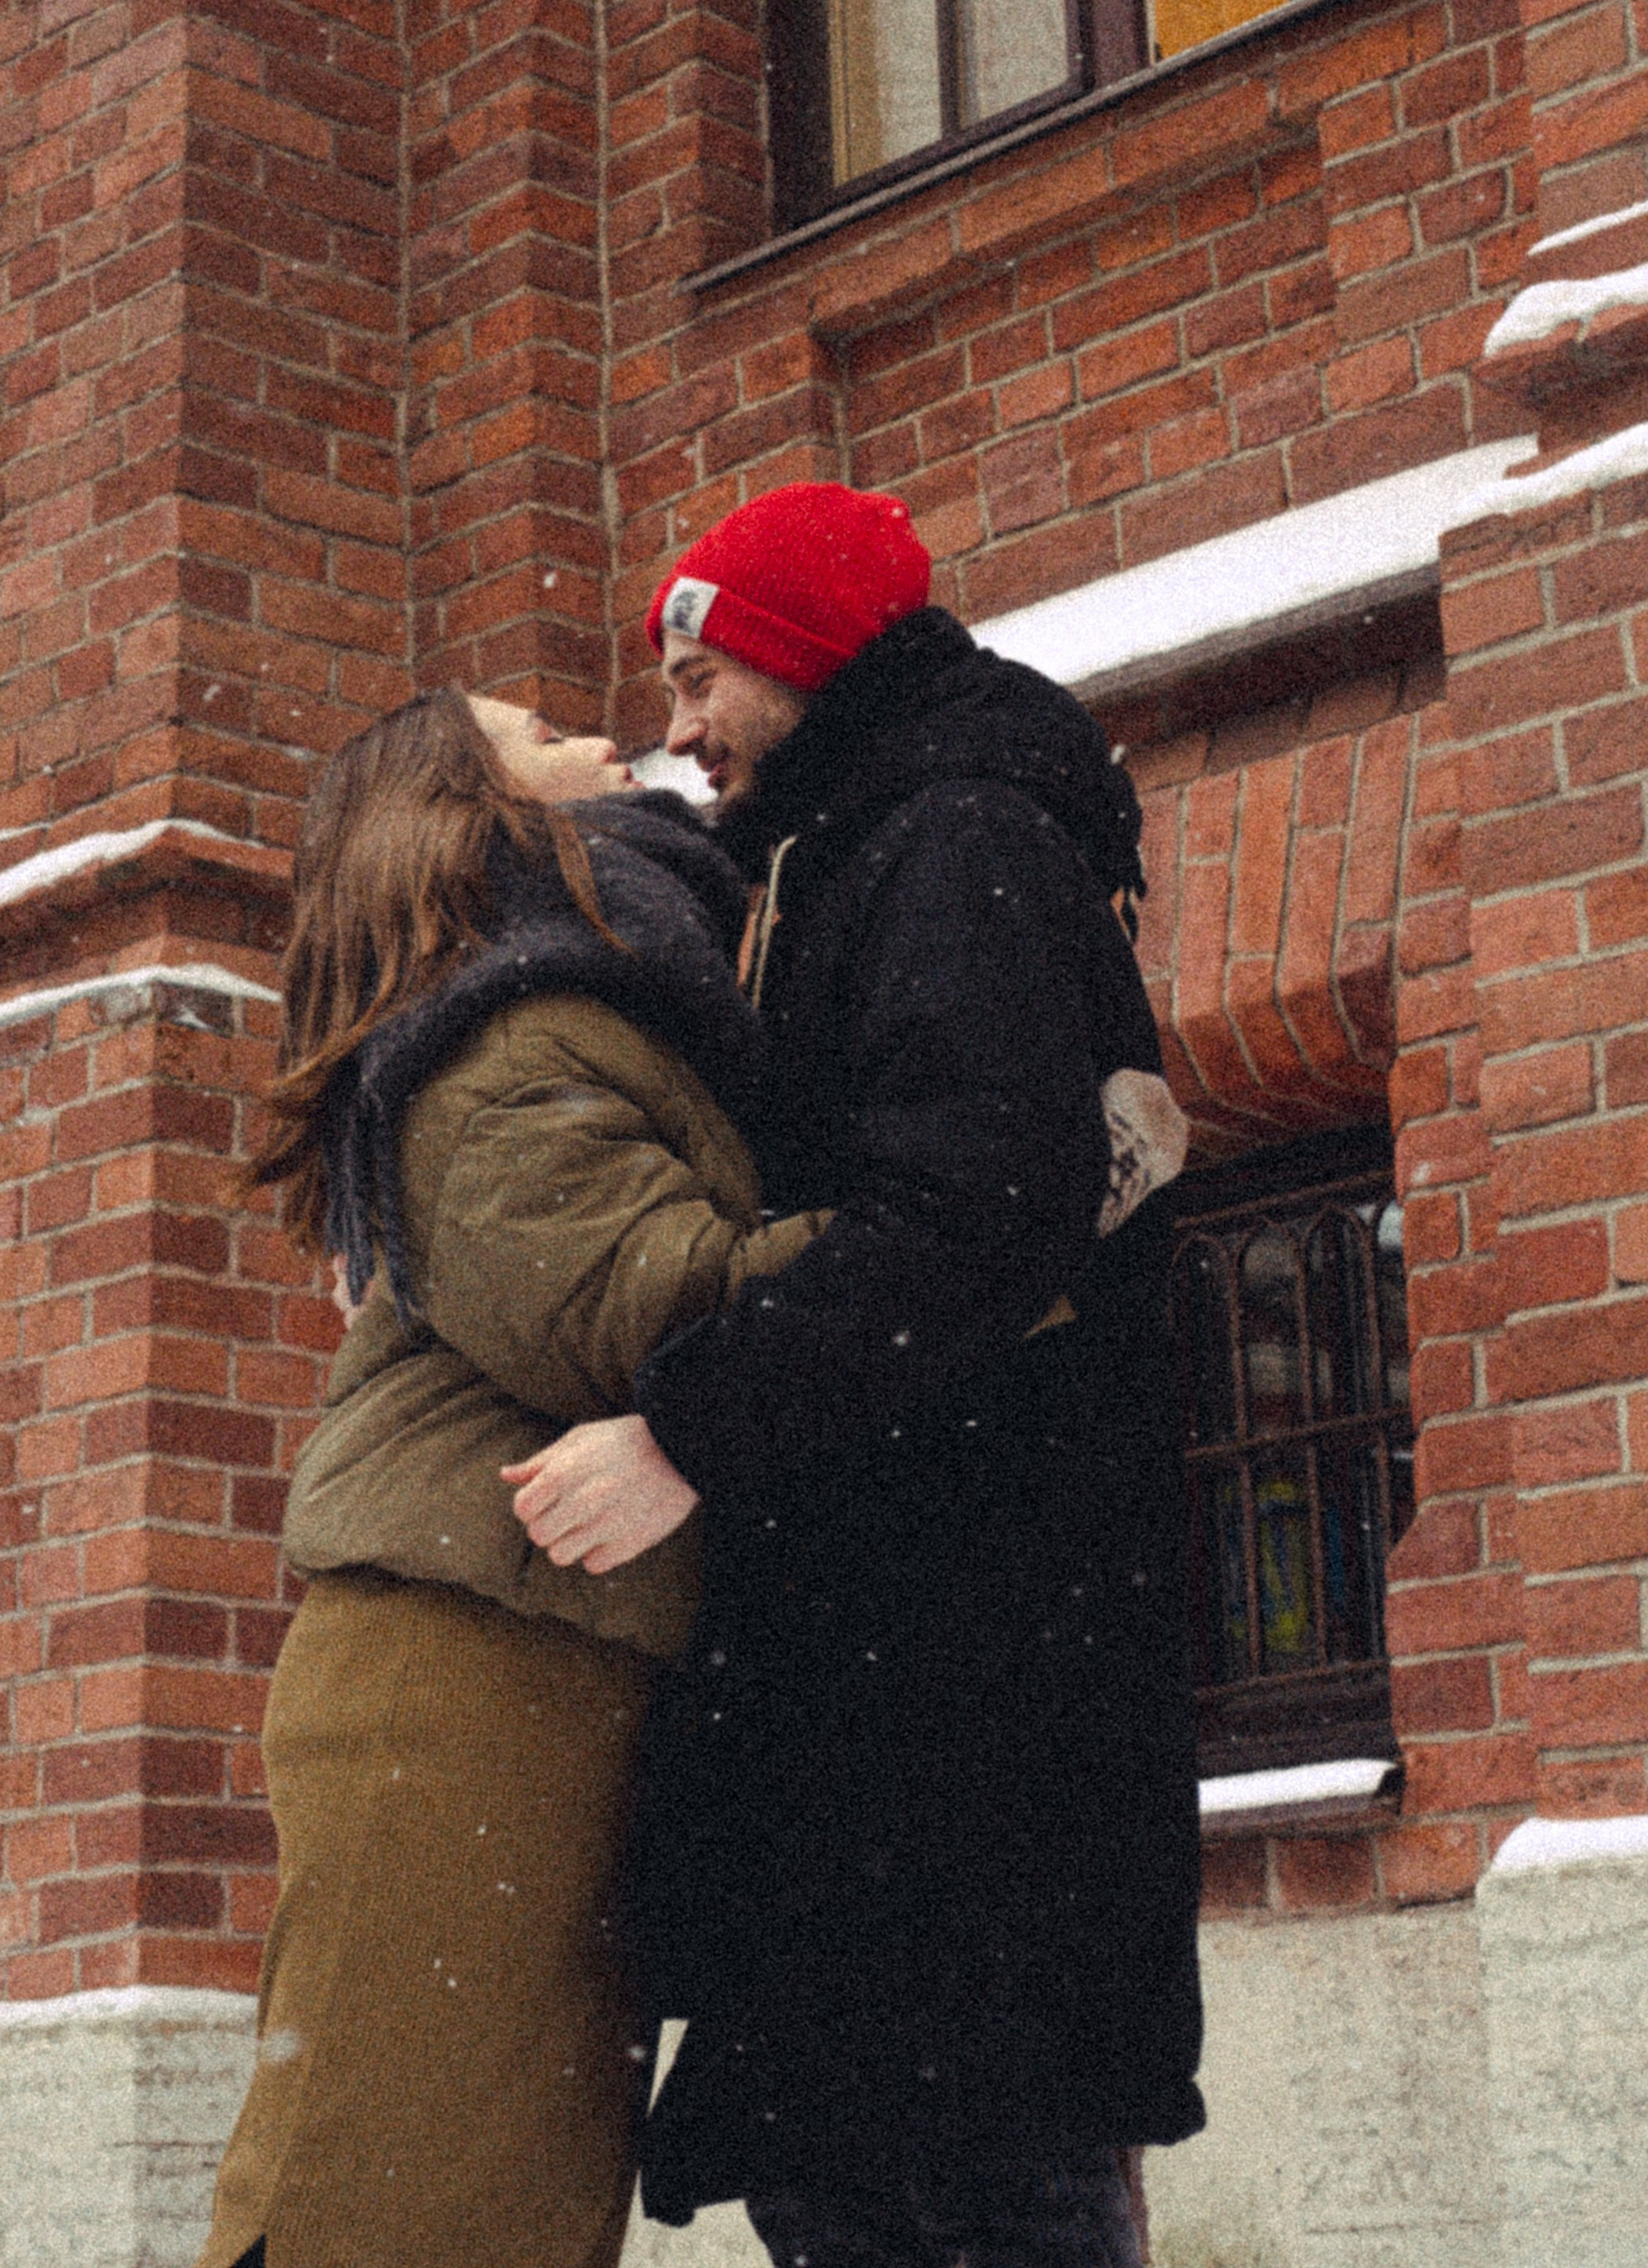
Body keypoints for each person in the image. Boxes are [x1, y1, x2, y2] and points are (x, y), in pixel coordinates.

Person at [510, 483, 1204, 2268]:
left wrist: (685, 1432)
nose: (677, 733)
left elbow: (971, 1217)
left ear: (810, 656)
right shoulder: (858, 849)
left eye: (703, 681)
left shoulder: (949, 843)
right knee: (879, 2175)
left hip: (963, 1706)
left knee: (962, 2187)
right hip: (911, 1702)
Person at [193, 688, 819, 2268]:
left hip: (541, 1666)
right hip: (458, 1679)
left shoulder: (586, 1008)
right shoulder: (490, 1050)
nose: (605, 743)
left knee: (496, 2201)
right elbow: (649, 1315)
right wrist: (959, 1238)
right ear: (470, 807)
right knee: (384, 2203)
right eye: (541, 732)